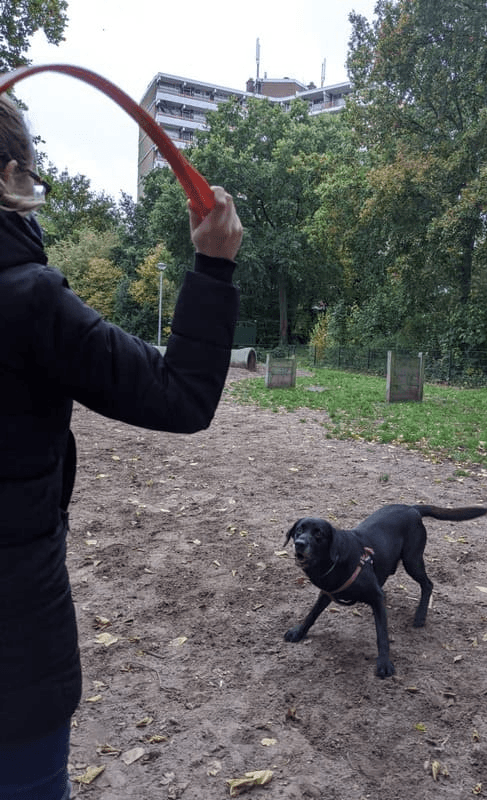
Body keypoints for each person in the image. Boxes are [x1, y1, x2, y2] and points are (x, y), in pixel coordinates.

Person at [0, 93, 242, 799]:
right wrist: (215, 264)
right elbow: (183, 394)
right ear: (12, 175)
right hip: (16, 664)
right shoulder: (29, 301)